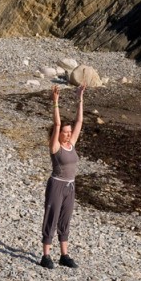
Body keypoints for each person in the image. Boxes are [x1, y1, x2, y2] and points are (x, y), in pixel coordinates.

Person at [40, 84, 85, 269]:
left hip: (70, 186)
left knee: (65, 219)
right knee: (52, 217)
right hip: (57, 185)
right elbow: (57, 124)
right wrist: (55, 102)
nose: (67, 134)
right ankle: (46, 255)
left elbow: (79, 122)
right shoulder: (55, 147)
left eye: (68, 132)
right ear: (58, 134)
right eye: (64, 133)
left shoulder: (71, 144)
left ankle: (64, 255)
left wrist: (80, 99)